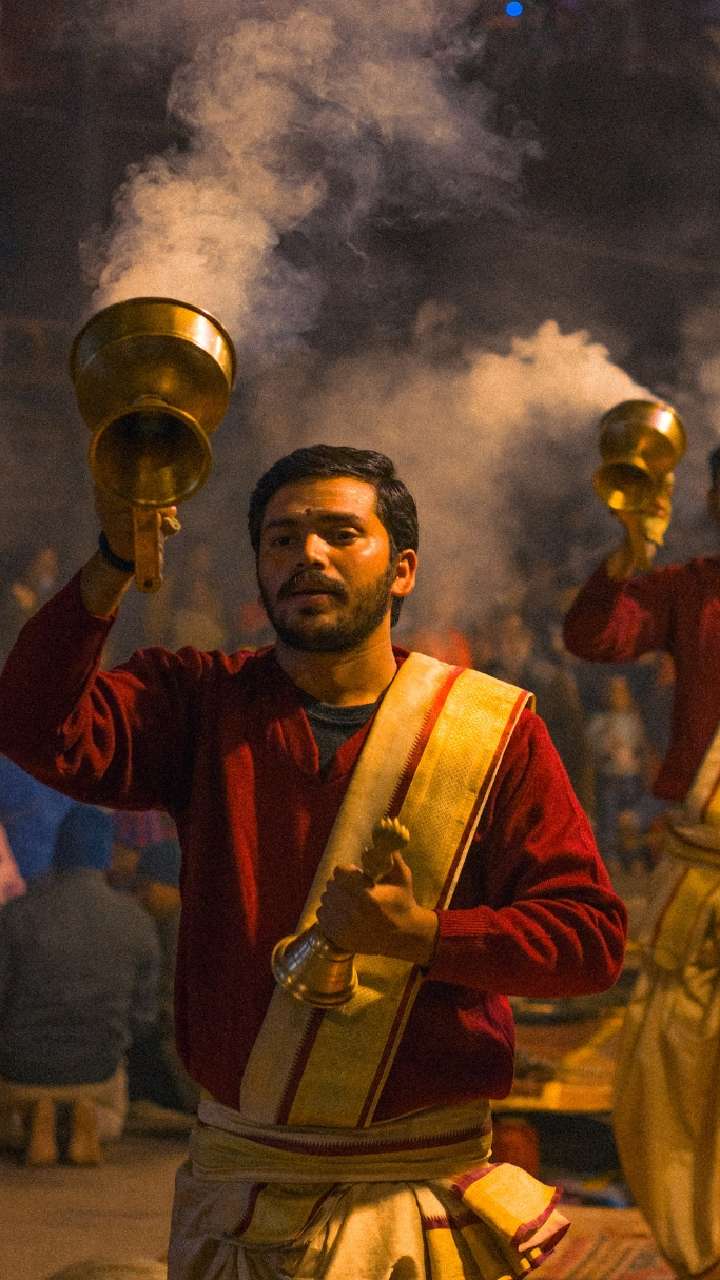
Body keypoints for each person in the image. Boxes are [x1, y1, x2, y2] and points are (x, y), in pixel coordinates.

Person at [0, 445, 626, 1278]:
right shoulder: (200, 702)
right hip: (242, 1191)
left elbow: (590, 941)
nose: (309, 555)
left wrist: (425, 936)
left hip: (414, 1199)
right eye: (282, 539)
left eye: (340, 533)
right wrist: (114, 560)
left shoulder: (490, 731)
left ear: (402, 569)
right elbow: (32, 724)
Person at [563, 451, 720, 1280]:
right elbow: (592, 636)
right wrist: (628, 551)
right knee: (671, 1063)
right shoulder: (691, 588)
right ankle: (703, 1251)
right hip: (700, 866)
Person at [0, 804, 160, 1164]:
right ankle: (87, 1115)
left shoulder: (15, 914)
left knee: (10, 1107)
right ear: (106, 856)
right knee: (112, 1107)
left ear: (58, 851)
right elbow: (143, 1019)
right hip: (97, 1068)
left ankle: (34, 1116)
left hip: (21, 1067)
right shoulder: (137, 921)